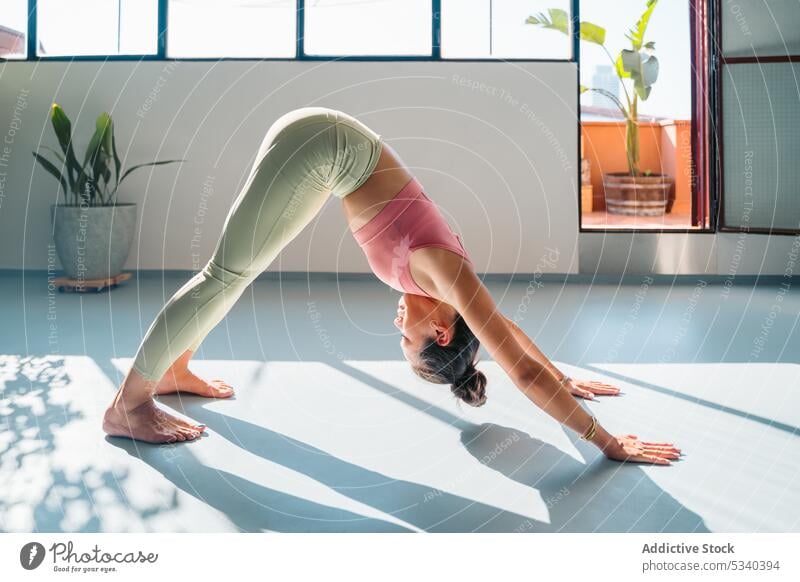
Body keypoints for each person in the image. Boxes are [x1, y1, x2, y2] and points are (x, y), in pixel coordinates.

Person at [103, 107, 680, 465]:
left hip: (327, 152)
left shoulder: (452, 297)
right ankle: (128, 404)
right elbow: (520, 367)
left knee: (237, 272)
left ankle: (175, 367)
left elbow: (511, 336)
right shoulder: (442, 275)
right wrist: (607, 442)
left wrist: (566, 378)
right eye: (405, 340)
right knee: (225, 275)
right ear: (438, 328)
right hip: (323, 147)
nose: (395, 327)